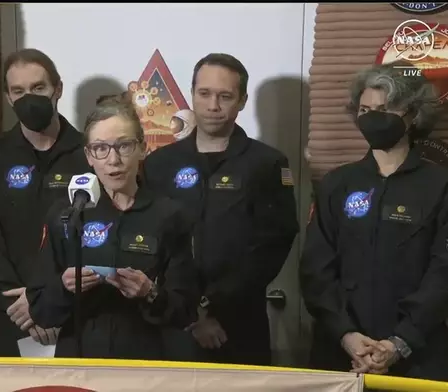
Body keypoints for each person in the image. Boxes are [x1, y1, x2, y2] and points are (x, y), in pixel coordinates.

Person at [143, 53, 299, 365]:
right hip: (171, 321)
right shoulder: (159, 165)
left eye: (225, 96)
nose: (213, 106)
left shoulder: (267, 164)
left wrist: (210, 306)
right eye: (204, 94)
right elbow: (151, 243)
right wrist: (192, 315)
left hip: (238, 323)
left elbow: (272, 245)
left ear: (241, 101)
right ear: (192, 95)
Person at [299, 62, 448, 381]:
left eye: (384, 109)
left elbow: (443, 273)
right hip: (339, 355)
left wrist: (399, 343)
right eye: (365, 109)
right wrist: (346, 334)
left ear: (412, 114)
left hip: (419, 357)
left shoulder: (440, 185)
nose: (372, 117)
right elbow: (316, 269)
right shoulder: (337, 183)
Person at [26, 95, 199, 359]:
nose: (113, 159)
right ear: (89, 156)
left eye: (124, 146)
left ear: (142, 148)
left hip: (148, 362)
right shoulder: (67, 214)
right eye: (100, 148)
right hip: (80, 360)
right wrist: (64, 287)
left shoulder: (169, 215)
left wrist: (150, 294)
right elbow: (39, 309)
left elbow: (186, 310)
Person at [0, 48, 90, 356]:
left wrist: (52, 301)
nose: (28, 98)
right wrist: (22, 306)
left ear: (57, 88)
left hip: (76, 317)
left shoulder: (92, 154)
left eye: (38, 88)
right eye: (18, 91)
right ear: (8, 97)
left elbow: (103, 236)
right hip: (8, 317)